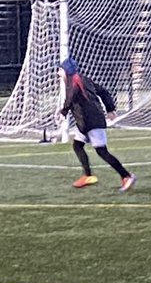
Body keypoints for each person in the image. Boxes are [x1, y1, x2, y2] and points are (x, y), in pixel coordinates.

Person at [56, 58, 136, 192]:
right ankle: (87, 176)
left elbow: (70, 98)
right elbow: (103, 91)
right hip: (85, 122)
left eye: (60, 70)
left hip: (92, 121)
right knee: (77, 145)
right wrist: (110, 108)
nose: (58, 73)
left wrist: (63, 112)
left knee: (102, 151)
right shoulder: (83, 80)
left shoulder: (74, 81)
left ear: (67, 70)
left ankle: (126, 176)